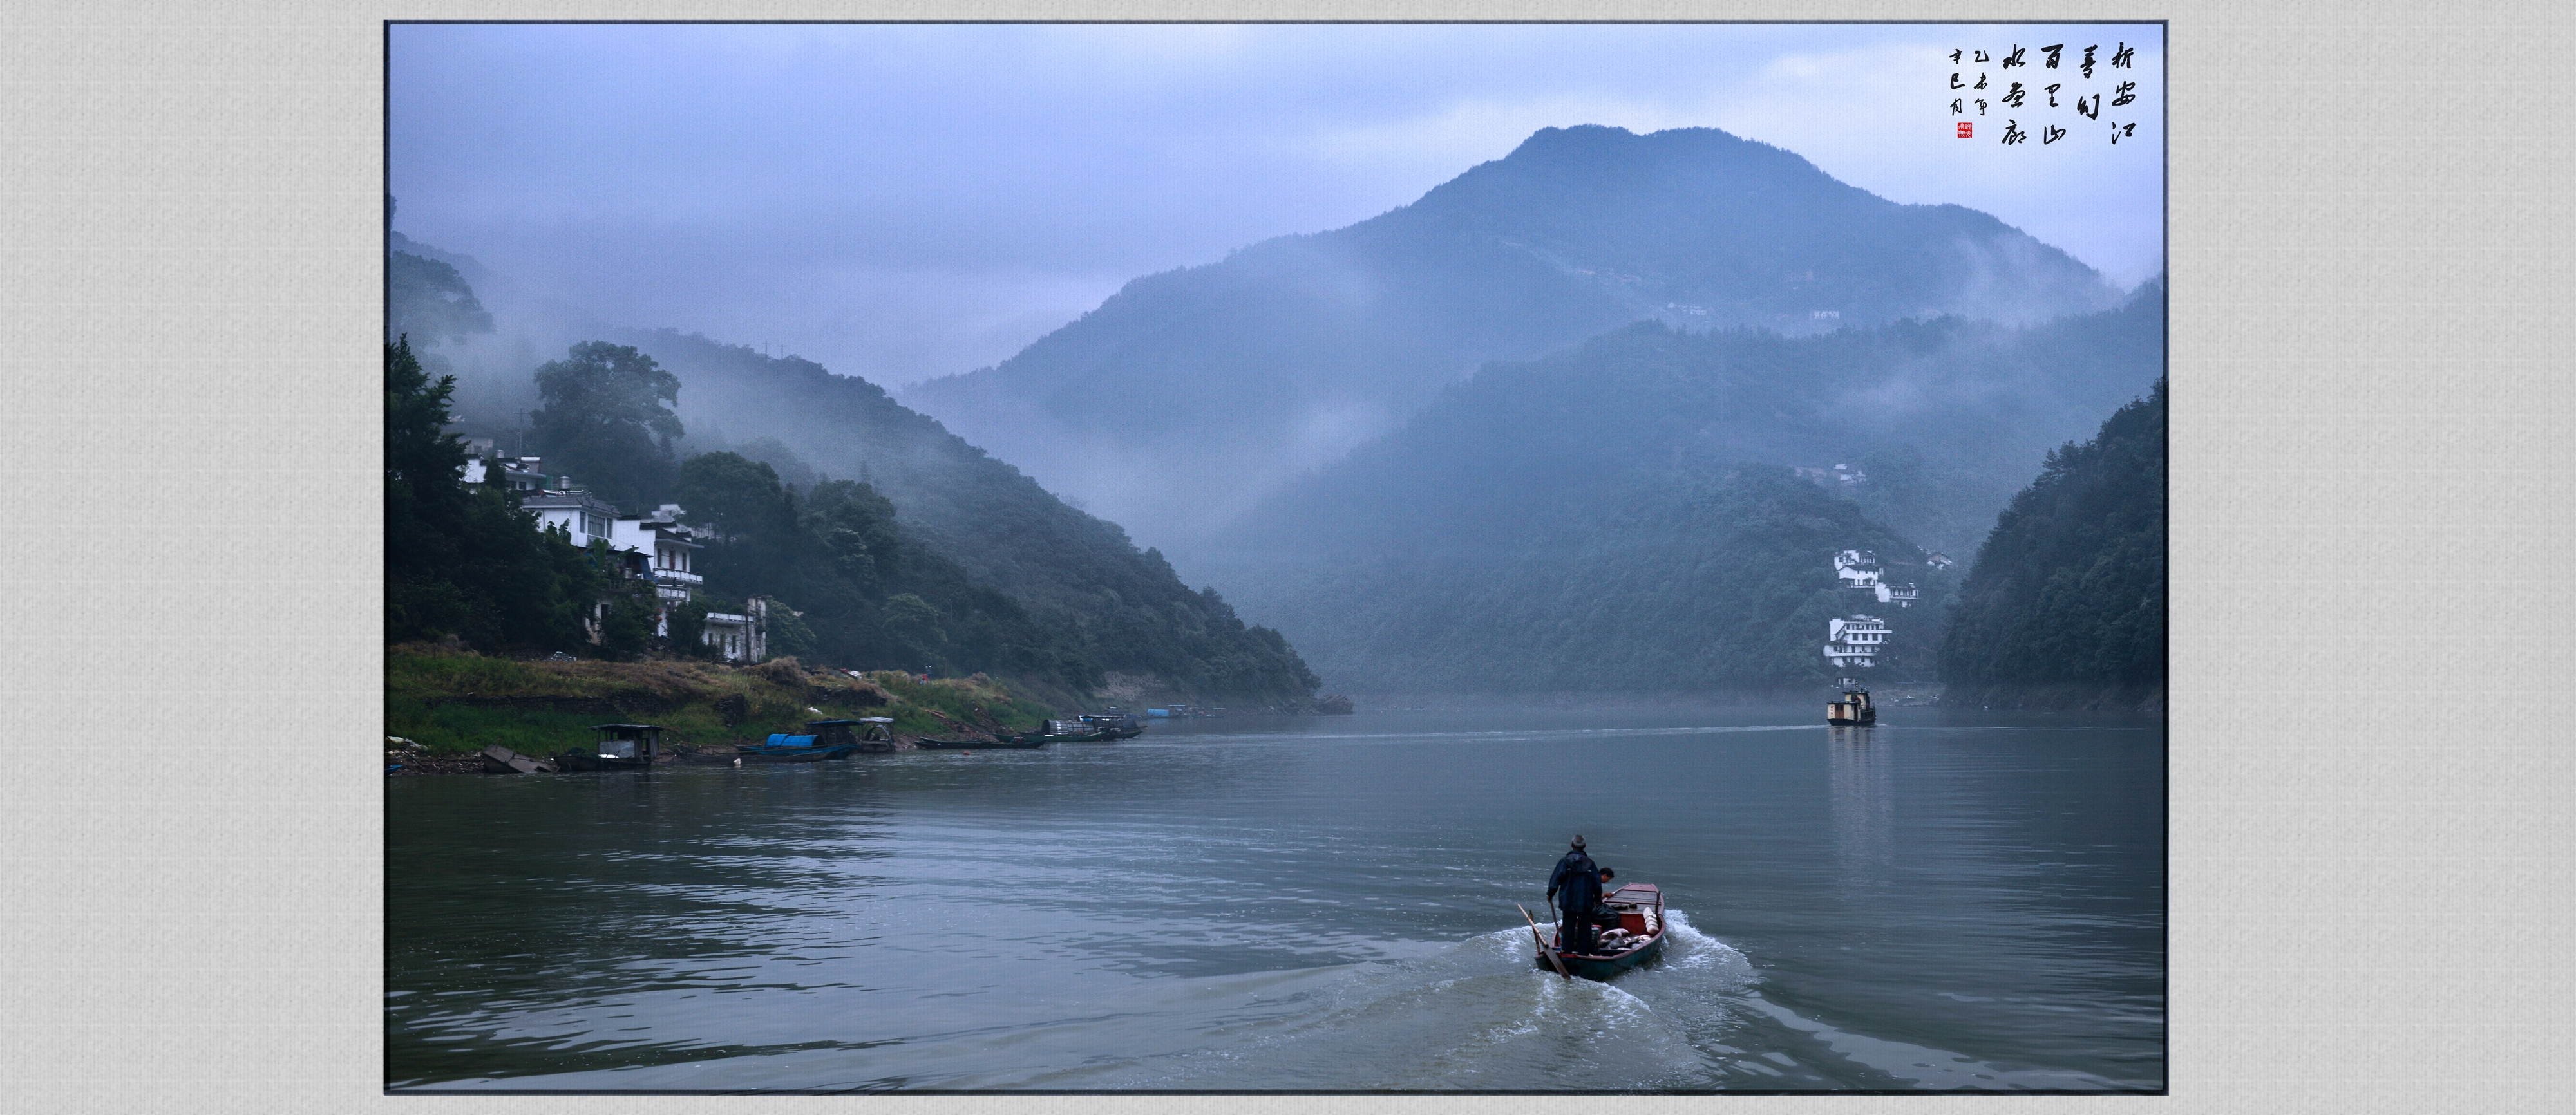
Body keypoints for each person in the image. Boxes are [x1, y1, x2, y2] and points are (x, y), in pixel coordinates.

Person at [1546, 836, 1601, 955]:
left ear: (1572, 845)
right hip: (1586, 902)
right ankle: (1583, 954)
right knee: (1585, 930)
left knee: (1568, 929)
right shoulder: (1590, 864)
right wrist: (1597, 899)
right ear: (1584, 846)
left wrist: (1550, 894)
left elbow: (1555, 881)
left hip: (1568, 901)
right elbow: (1597, 884)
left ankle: (1566, 953)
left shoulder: (1564, 862)